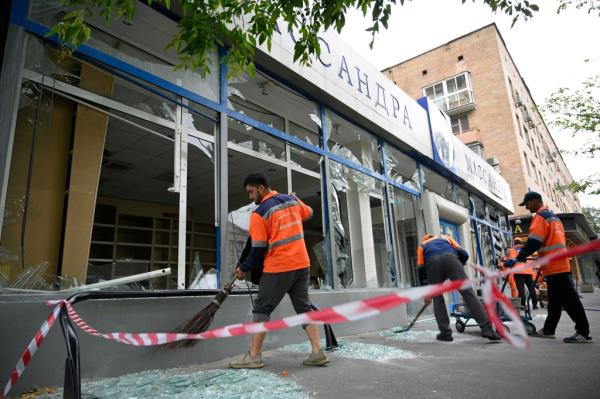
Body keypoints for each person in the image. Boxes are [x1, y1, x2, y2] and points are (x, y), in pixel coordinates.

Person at [229, 173, 328, 368]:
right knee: (303, 308)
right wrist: (296, 197)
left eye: (251, 192)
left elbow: (257, 250)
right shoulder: (291, 201)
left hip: (279, 267)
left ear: (261, 188)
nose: (250, 197)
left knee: (261, 308)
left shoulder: (259, 213)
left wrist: (243, 268)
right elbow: (309, 213)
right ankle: (317, 352)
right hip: (302, 264)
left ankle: (254, 356)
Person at [505, 191, 592, 343]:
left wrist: (519, 257)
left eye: (527, 204)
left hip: (555, 267)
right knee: (555, 302)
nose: (526, 207)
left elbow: (534, 242)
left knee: (570, 301)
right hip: (557, 265)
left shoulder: (540, 217)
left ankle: (583, 332)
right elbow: (550, 243)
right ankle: (548, 330)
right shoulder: (554, 218)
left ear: (535, 201)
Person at [417, 234, 501, 342]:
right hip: (450, 259)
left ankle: (445, 333)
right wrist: (460, 262)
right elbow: (464, 254)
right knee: (468, 294)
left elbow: (421, 269)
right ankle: (487, 329)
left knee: (437, 298)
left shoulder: (422, 245)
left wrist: (427, 293)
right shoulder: (444, 237)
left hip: (433, 263)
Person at [510, 238, 539, 310]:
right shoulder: (526, 250)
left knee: (521, 289)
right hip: (528, 272)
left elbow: (510, 261)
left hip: (518, 272)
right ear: (520, 242)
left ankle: (523, 305)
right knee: (531, 288)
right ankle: (535, 305)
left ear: (514, 243)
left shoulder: (512, 250)